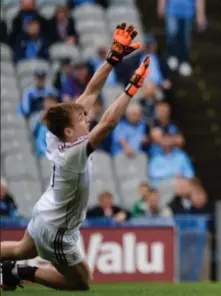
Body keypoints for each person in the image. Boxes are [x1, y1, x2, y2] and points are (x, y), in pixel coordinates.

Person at [0, 22, 149, 291]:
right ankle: (24, 272)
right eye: (82, 118)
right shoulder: (73, 154)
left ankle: (13, 269)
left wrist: (112, 59)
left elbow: (91, 91)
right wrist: (131, 89)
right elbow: (107, 124)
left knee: (21, 248)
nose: (87, 118)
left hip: (46, 211)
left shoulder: (55, 136)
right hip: (58, 228)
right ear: (69, 130)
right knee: (81, 282)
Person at [158, 0, 207, 76]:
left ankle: (184, 60)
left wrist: (201, 16)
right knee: (172, 33)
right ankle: (172, 55)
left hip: (187, 14)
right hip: (172, 12)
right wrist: (161, 7)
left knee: (185, 38)